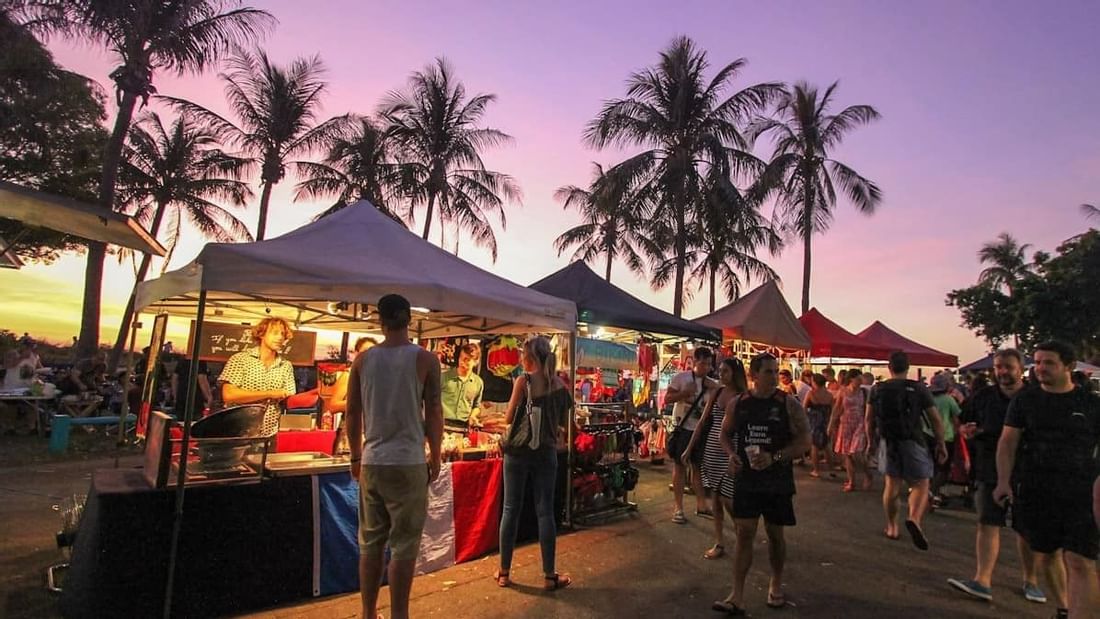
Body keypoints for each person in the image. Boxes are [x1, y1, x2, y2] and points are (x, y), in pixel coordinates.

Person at [346, 294, 443, 619]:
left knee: (370, 542)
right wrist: (436, 453)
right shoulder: (426, 360)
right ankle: (399, 615)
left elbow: (352, 411)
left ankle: (368, 613)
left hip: (373, 461)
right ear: (410, 319)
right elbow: (433, 410)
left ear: (381, 321)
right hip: (408, 461)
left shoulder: (362, 361)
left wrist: (356, 457)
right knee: (404, 545)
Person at [994, 341, 1100, 619]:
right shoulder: (1025, 400)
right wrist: (1003, 481)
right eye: (1038, 362)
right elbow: (1007, 442)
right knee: (1046, 555)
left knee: (1081, 561)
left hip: (1081, 493)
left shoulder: (1090, 403)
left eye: (1048, 363)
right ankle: (1065, 607)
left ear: (1069, 366)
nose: (1040, 368)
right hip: (1035, 490)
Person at [947, 349, 1053, 606]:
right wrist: (965, 429)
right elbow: (963, 420)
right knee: (987, 523)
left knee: (1025, 529)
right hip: (989, 468)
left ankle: (1031, 580)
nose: (1002, 372)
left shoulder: (1036, 397)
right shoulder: (983, 396)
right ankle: (982, 580)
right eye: (998, 367)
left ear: (1021, 368)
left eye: (1008, 367)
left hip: (1027, 471)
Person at [714, 353, 811, 614]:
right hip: (746, 478)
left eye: (775, 371)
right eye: (768, 371)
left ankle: (775, 582)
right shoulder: (739, 403)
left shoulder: (788, 403)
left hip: (776, 480)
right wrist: (731, 454)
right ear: (754, 375)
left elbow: (805, 442)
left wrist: (775, 457)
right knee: (744, 533)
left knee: (775, 535)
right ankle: (737, 594)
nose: (774, 376)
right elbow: (725, 433)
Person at [496, 336, 573, 592]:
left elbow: (508, 418)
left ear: (528, 358)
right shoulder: (560, 384)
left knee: (510, 509)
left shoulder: (523, 381)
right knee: (545, 512)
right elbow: (566, 424)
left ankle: (504, 573)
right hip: (546, 453)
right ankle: (549, 575)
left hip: (517, 452)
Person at [866, 351, 947, 549]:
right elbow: (935, 419)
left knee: (891, 484)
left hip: (888, 440)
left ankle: (892, 526)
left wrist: (871, 442)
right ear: (908, 367)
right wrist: (941, 444)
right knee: (921, 483)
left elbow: (868, 419)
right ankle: (914, 518)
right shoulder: (918, 388)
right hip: (913, 440)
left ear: (889, 367)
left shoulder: (877, 389)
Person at [683, 357, 747, 560]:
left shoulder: (743, 396)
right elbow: (702, 422)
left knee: (728, 499)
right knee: (716, 500)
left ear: (735, 373)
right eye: (720, 371)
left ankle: (743, 535)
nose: (721, 374)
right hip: (712, 448)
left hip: (732, 449)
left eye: (725, 371)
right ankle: (719, 541)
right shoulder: (717, 392)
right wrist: (689, 448)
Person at [218, 317, 298, 435]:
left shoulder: (286, 365)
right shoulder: (240, 359)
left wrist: (317, 393)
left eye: (282, 334)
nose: (280, 337)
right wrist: (270, 393)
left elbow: (289, 398)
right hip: (238, 433)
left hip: (268, 435)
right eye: (275, 333)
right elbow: (229, 395)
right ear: (261, 334)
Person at [665, 347, 717, 523]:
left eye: (709, 364)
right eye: (703, 363)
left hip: (700, 429)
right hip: (682, 427)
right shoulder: (681, 378)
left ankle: (701, 504)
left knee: (697, 467)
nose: (706, 367)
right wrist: (685, 393)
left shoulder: (711, 383)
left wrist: (716, 388)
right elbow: (667, 398)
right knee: (680, 467)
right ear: (694, 362)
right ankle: (678, 508)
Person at [829, 367, 872, 492]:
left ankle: (868, 474)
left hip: (859, 423)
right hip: (845, 424)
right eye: (858, 378)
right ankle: (851, 481)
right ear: (851, 379)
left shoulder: (864, 392)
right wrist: (831, 424)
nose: (860, 381)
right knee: (847, 454)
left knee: (856, 453)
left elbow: (868, 410)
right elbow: (837, 409)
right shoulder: (843, 391)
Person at [928, 373, 962, 508]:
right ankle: (933, 492)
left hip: (927, 436)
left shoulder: (927, 399)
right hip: (946, 437)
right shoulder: (949, 400)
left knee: (931, 467)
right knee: (944, 469)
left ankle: (928, 491)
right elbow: (956, 418)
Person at [441, 343, 485, 430]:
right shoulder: (444, 377)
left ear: (475, 362)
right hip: (441, 425)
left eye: (467, 359)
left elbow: (477, 406)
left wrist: (473, 416)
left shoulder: (478, 382)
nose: (462, 362)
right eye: (461, 357)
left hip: (463, 428)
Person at [803, 373, 835, 479]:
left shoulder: (811, 393)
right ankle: (831, 469)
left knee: (814, 446)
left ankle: (816, 470)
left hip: (814, 422)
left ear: (814, 382)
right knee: (826, 446)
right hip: (826, 422)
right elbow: (833, 410)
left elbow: (804, 407)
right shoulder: (829, 395)